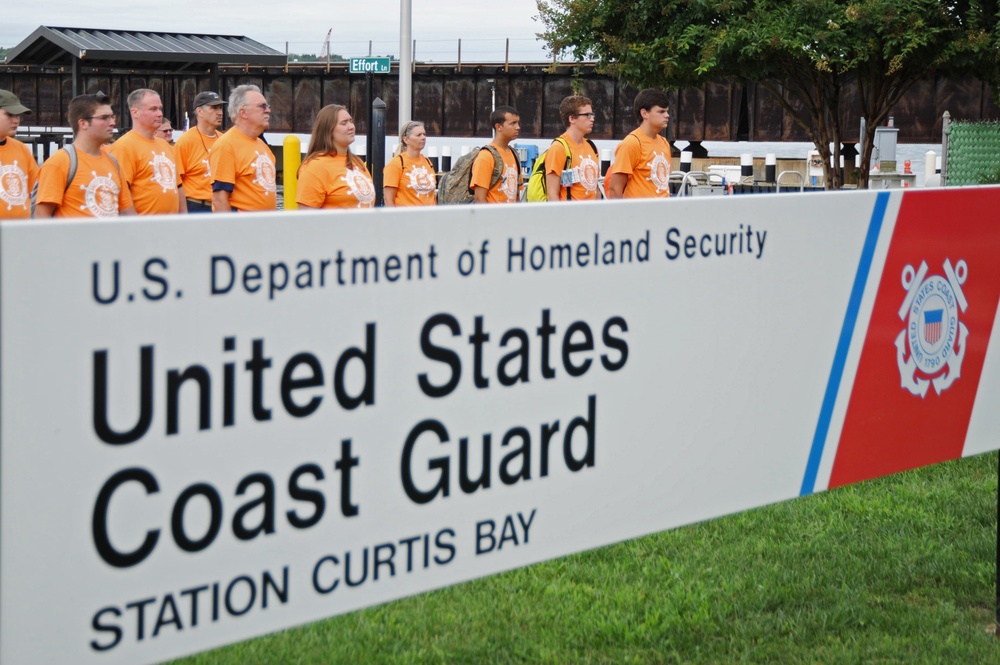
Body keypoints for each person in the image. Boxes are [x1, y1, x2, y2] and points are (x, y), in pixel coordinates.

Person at [34, 92, 136, 218]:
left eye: (112, 116)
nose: (113, 122)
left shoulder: (113, 162)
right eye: (104, 118)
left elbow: (127, 212)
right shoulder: (59, 163)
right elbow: (41, 217)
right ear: (83, 123)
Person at [110, 89, 186, 214]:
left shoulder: (164, 145)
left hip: (172, 227)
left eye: (160, 108)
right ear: (135, 112)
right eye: (153, 109)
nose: (160, 113)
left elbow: (178, 185)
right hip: (144, 229)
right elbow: (121, 195)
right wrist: (137, 230)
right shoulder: (124, 147)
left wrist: (184, 220)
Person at [210, 84, 277, 212]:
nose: (268, 110)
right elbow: (219, 199)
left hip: (266, 227)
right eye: (262, 106)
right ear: (243, 112)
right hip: (243, 228)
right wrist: (232, 231)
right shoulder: (226, 145)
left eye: (267, 106)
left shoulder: (263, 145)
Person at [296, 104, 375, 209]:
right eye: (344, 123)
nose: (351, 127)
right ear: (328, 130)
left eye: (351, 121)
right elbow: (306, 219)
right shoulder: (314, 167)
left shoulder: (358, 163)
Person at [606, 88, 672, 199]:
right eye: (661, 111)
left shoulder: (664, 143)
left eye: (667, 111)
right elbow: (614, 188)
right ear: (644, 113)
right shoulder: (632, 143)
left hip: (663, 213)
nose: (667, 115)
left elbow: (662, 184)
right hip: (638, 214)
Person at [174, 91, 226, 213]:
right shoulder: (185, 142)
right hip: (195, 206)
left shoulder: (224, 140)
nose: (220, 113)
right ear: (199, 111)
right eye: (214, 108)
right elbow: (175, 182)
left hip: (220, 206)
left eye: (220, 108)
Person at [545, 95, 601, 201]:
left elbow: (596, 188)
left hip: (592, 214)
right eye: (587, 115)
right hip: (570, 215)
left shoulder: (592, 147)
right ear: (572, 119)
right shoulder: (559, 148)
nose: (592, 119)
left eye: (592, 114)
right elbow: (552, 194)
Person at [0, 89, 39, 219]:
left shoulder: (21, 148)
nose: (16, 120)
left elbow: (35, 190)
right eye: (10, 114)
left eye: (18, 116)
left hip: (21, 231)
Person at [471, 105, 521, 203]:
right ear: (498, 127)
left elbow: (517, 195)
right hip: (493, 217)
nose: (518, 127)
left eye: (518, 123)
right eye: (513, 123)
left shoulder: (514, 154)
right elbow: (479, 199)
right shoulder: (486, 156)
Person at [383, 120, 436, 207]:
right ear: (406, 139)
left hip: (429, 218)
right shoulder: (396, 164)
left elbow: (432, 196)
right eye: (418, 135)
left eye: (424, 134)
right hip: (406, 218)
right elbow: (388, 200)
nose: (423, 137)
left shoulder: (428, 162)